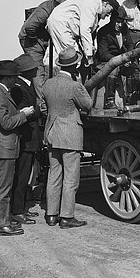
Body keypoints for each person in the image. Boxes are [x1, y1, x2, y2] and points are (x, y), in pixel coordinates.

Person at [41, 47, 93, 229]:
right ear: (75, 66)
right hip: (70, 135)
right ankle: (67, 217)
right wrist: (80, 84)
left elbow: (42, 107)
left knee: (54, 175)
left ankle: (51, 215)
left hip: (52, 133)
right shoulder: (74, 86)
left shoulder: (48, 84)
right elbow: (88, 105)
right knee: (70, 178)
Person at [0, 60, 35, 236]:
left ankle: (4, 221)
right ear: (6, 78)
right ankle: (1, 225)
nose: (16, 81)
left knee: (3, 186)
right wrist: (24, 115)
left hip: (3, 145)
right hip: (4, 146)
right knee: (3, 187)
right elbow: (6, 123)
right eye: (13, 77)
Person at [18, 0, 74, 99]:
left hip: (37, 41)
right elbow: (30, 27)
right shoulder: (46, 8)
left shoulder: (55, 9)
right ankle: (44, 104)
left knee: (41, 71)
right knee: (38, 72)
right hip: (30, 41)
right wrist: (38, 42)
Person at [9, 53, 44, 226]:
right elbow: (25, 112)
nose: (36, 70)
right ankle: (17, 211)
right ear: (28, 71)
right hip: (26, 138)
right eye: (33, 68)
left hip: (29, 137)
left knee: (24, 174)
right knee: (22, 176)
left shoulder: (24, 85)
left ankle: (21, 208)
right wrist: (39, 111)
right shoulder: (19, 88)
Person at [46, 0, 119, 73]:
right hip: (61, 25)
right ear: (105, 4)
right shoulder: (91, 5)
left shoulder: (94, 7)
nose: (109, 14)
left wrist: (89, 48)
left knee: (75, 57)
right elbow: (85, 30)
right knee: (72, 57)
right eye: (110, 10)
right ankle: (69, 81)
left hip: (65, 26)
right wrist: (89, 55)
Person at [96, 6, 135, 109]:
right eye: (117, 22)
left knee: (133, 68)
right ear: (112, 20)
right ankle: (110, 100)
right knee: (113, 69)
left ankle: (131, 97)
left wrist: (129, 59)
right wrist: (120, 60)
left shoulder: (125, 29)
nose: (120, 25)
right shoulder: (103, 32)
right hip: (104, 62)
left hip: (120, 60)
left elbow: (130, 44)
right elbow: (103, 54)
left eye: (122, 22)